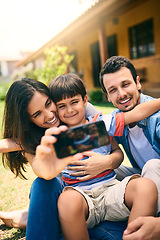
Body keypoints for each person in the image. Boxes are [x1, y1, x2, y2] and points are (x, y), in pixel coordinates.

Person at [32, 73, 160, 240]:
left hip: (110, 190)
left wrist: (108, 161)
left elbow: (135, 116)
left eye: (74, 102)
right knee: (66, 200)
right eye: (62, 106)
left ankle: (134, 235)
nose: (69, 110)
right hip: (82, 198)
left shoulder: (100, 124)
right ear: (56, 109)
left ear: (85, 100)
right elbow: (22, 142)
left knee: (145, 186)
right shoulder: (57, 135)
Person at [0, 77, 126, 239]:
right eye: (37, 114)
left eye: (48, 104)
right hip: (68, 197)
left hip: (99, 189)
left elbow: (114, 149)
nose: (49, 115)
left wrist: (106, 162)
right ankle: (26, 219)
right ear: (28, 120)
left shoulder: (81, 111)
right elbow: (41, 171)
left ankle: (25, 218)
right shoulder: (31, 140)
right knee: (44, 183)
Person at [99, 55, 160, 240]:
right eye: (113, 90)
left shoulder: (156, 118)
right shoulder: (116, 119)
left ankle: (138, 231)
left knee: (152, 165)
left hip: (153, 173)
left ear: (137, 83)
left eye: (125, 84)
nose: (121, 94)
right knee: (108, 167)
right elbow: (83, 125)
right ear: (108, 97)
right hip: (144, 176)